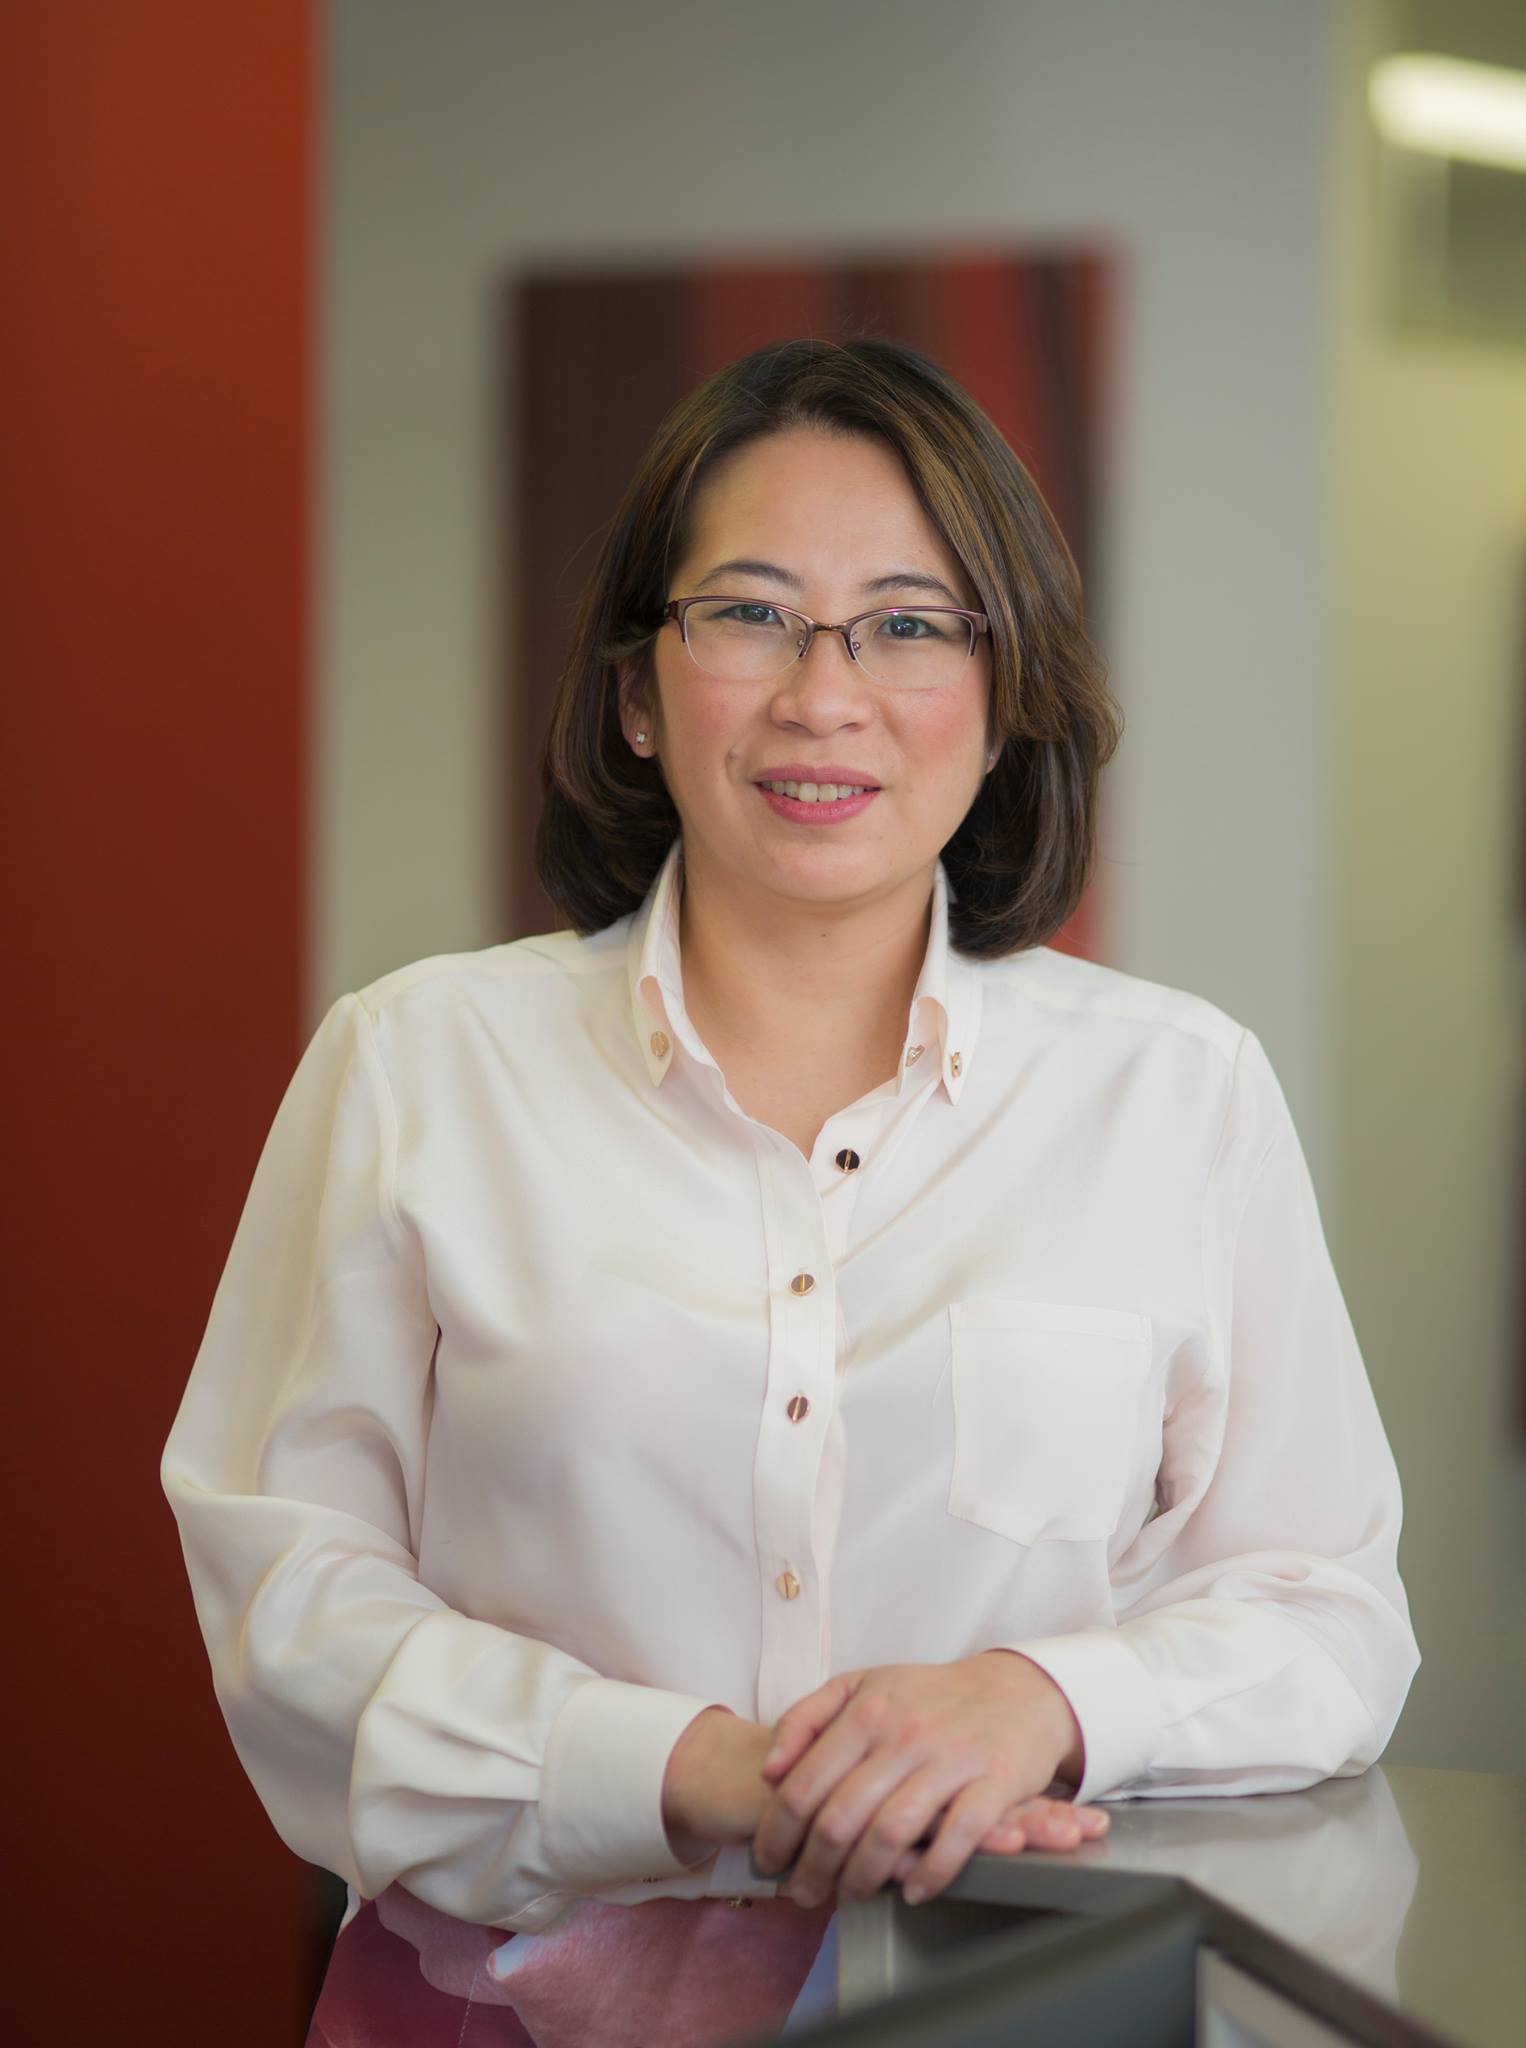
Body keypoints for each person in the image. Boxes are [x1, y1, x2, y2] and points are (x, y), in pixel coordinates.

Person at [160, 335, 1420, 2048]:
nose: (823, 694)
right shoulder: (416, 1065)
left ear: (1004, 696)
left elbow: (1326, 1615)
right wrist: (693, 1775)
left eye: (910, 624)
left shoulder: (1177, 1094)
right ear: (634, 688)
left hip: (1019, 2009)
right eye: (749, 614)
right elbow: (289, 1601)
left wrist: (1038, 1699)